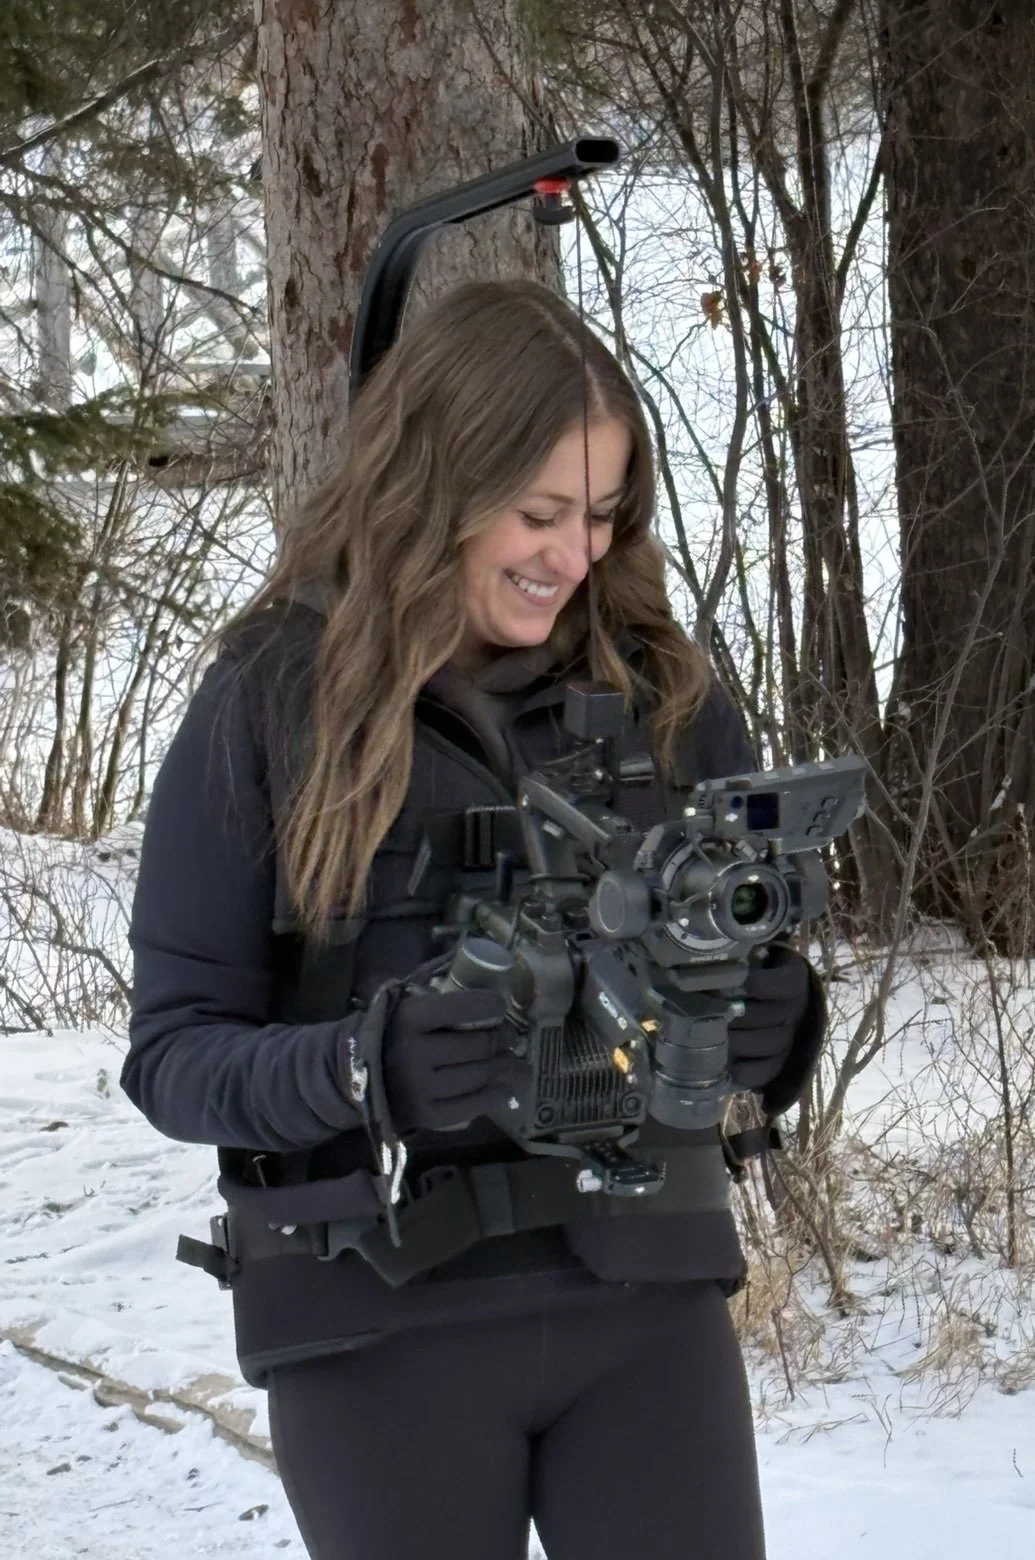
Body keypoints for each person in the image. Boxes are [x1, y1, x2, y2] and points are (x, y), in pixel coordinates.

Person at [121, 278, 826, 1560]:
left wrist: (779, 1023)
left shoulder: (662, 688)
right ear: (433, 482)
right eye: (540, 512)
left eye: (605, 515)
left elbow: (741, 943)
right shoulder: (273, 698)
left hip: (642, 1296)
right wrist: (357, 1066)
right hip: (378, 1322)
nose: (576, 556)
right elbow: (172, 1054)